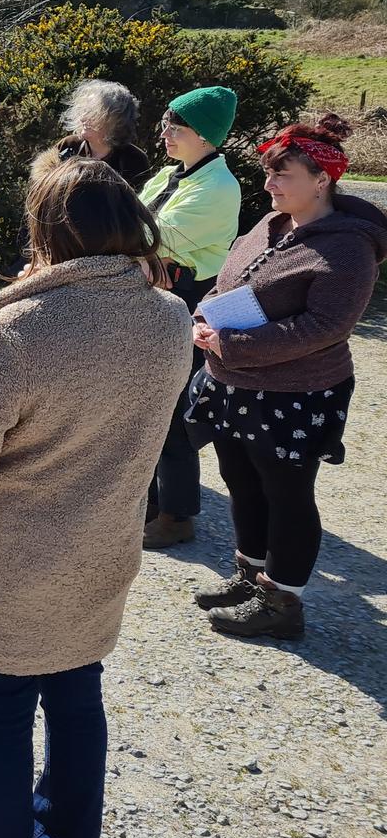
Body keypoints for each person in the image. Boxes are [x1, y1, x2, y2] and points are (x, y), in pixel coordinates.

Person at [0, 157, 192, 838]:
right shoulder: (168, 322)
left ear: (48, 233)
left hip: (7, 568)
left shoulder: (24, 330)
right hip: (101, 555)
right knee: (77, 704)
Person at [184, 115, 387, 640]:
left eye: (283, 175)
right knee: (242, 482)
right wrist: (206, 319)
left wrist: (228, 343)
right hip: (236, 382)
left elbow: (325, 326)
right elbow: (230, 283)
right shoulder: (270, 225)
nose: (269, 184)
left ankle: (282, 603)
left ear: (322, 181)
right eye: (270, 173)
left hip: (296, 393)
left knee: (287, 493)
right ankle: (251, 579)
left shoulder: (347, 247)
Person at [135, 86, 242, 549]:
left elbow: (156, 237)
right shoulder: (170, 175)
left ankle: (178, 515)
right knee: (148, 403)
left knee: (173, 407)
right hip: (157, 296)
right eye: (165, 126)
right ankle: (153, 501)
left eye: (175, 129)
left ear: (205, 136)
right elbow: (135, 220)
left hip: (186, 299)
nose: (165, 136)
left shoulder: (219, 187)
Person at [54, 79, 149, 188]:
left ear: (116, 120)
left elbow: (140, 202)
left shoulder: (135, 160)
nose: (83, 118)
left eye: (93, 113)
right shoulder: (68, 145)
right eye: (84, 111)